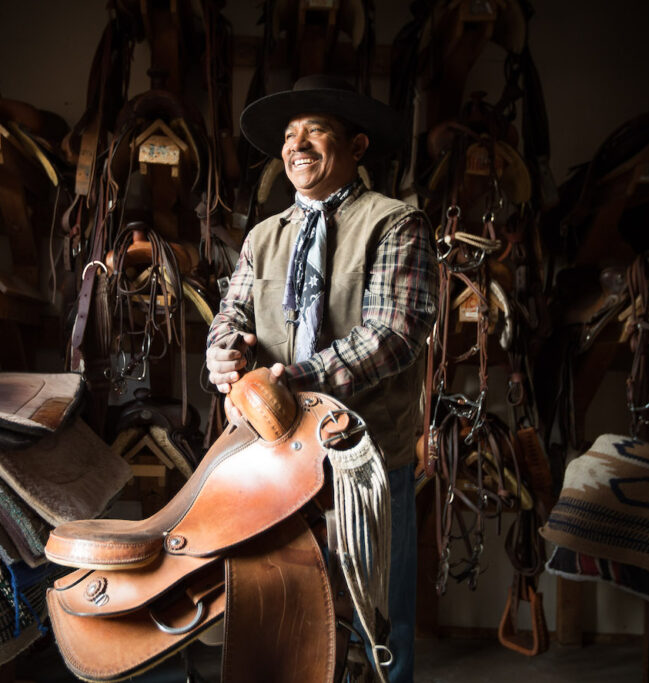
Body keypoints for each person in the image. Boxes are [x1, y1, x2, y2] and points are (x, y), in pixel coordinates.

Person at [206, 74, 437, 683]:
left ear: (356, 148)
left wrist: (296, 378)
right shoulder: (264, 235)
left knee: (380, 620)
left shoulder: (396, 223)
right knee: (280, 612)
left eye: (316, 131)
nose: (296, 145)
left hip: (363, 459)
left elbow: (395, 333)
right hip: (272, 454)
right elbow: (230, 315)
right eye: (288, 135)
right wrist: (222, 354)